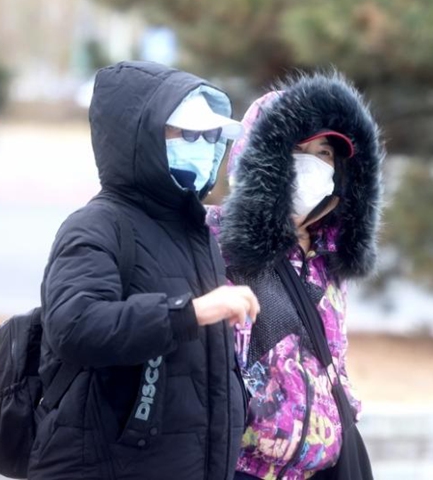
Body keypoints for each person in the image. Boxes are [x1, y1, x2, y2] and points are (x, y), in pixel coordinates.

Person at [28, 61, 260, 480]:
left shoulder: (195, 233)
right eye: (189, 134)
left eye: (212, 137)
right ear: (141, 136)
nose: (206, 147)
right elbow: (74, 326)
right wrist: (187, 313)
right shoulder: (97, 225)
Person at [206, 72, 384, 480]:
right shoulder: (215, 241)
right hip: (243, 469)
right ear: (263, 157)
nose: (313, 163)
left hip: (319, 470)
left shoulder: (328, 258)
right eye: (298, 149)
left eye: (323, 152)